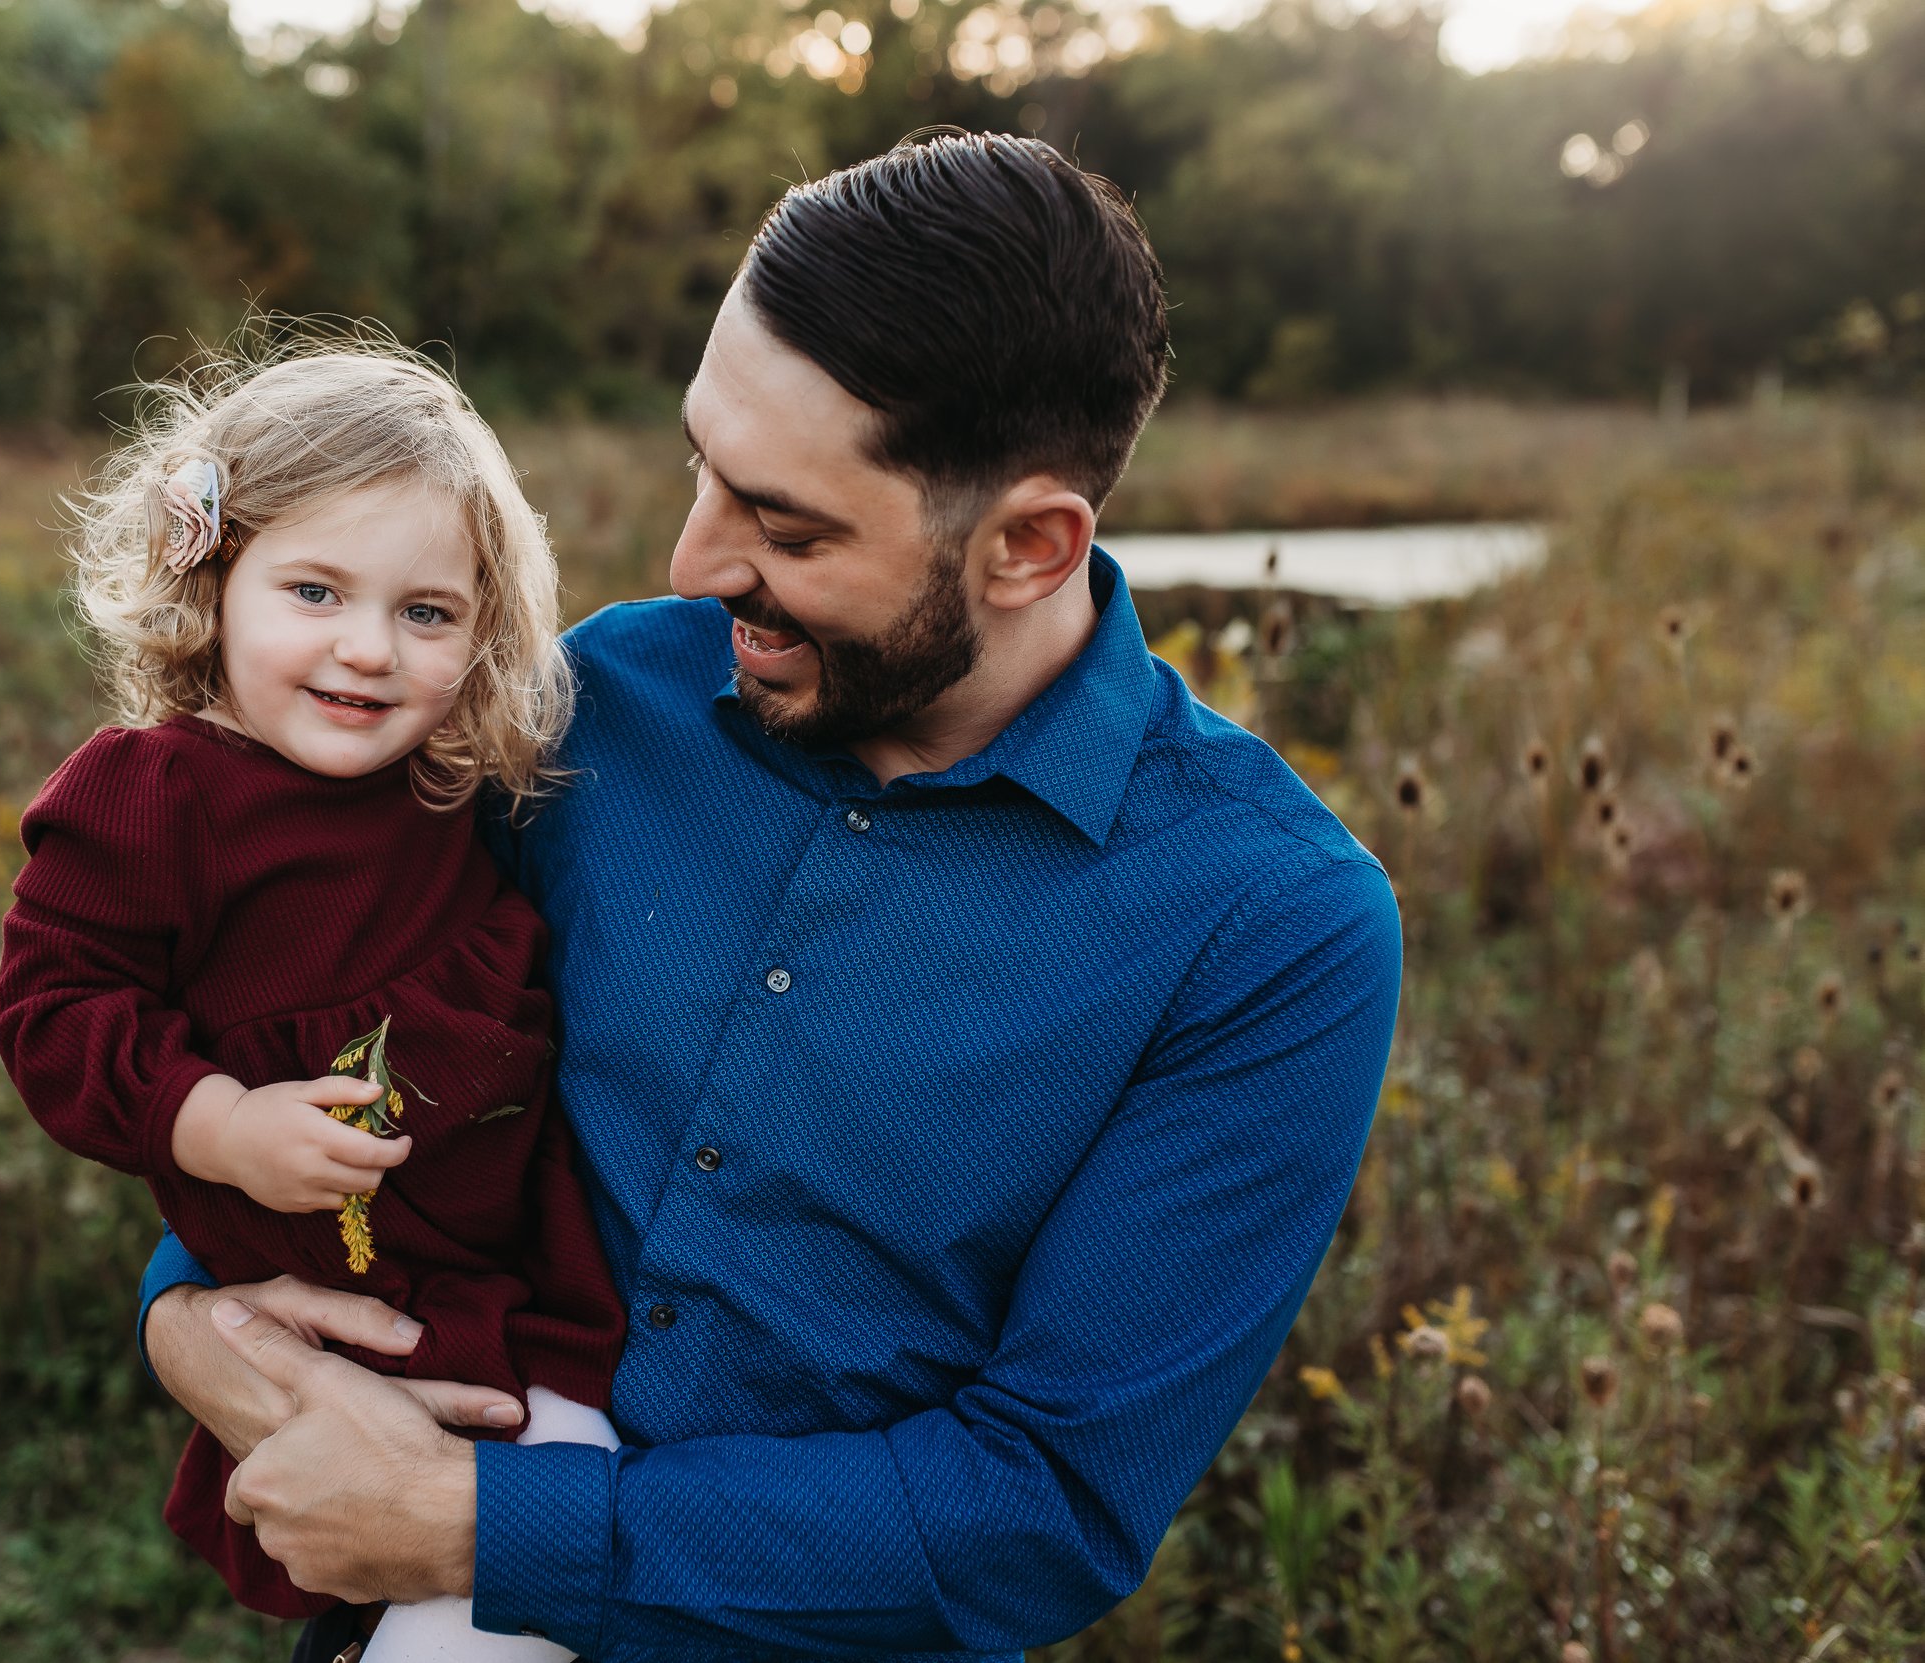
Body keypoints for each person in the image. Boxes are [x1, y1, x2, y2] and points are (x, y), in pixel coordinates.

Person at [141, 133, 1404, 1659]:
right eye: (704, 469)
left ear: (1027, 546)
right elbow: (312, 1027)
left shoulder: (1267, 928)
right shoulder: (601, 696)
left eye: (788, 527)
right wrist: (189, 1315)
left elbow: (1044, 1506)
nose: (691, 561)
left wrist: (484, 1527)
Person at [0, 347, 627, 1663]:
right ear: (210, 581)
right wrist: (216, 1123)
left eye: (428, 613)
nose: (366, 649)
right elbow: (50, 1004)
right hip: (337, 1315)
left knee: (543, 1529)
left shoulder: (449, 790)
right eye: (315, 590)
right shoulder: (155, 792)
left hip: (516, 1302)